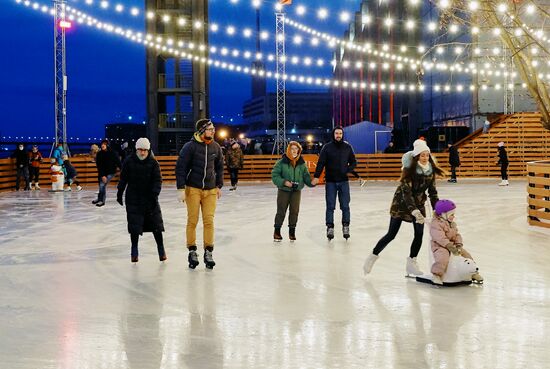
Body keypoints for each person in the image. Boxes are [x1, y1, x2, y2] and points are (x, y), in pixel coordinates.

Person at [363, 139, 444, 277]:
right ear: (417, 156)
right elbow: (406, 194)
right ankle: (372, 256)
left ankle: (411, 263)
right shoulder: (409, 170)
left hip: (418, 203)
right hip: (401, 204)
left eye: (427, 155)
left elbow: (432, 192)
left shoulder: (430, 171)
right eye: (422, 155)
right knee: (391, 234)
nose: (425, 158)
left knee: (419, 234)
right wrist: (414, 211)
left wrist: (438, 209)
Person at [175, 119, 224, 270]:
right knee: (193, 220)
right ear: (202, 131)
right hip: (193, 189)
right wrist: (181, 188)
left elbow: (220, 166)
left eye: (213, 129)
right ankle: (192, 251)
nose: (213, 131)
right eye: (210, 129)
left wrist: (218, 185)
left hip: (210, 190)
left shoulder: (216, 147)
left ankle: (208, 252)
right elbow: (181, 167)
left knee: (209, 221)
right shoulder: (190, 147)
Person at [117, 138, 166, 263]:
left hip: (150, 198)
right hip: (133, 198)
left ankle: (161, 249)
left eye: (145, 150)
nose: (142, 153)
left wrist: (154, 194)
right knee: (134, 226)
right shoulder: (129, 161)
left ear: (148, 150)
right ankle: (134, 250)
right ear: (136, 149)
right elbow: (123, 178)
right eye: (140, 150)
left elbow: (158, 180)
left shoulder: (154, 163)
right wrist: (120, 192)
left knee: (156, 226)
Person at [312, 126, 357, 240]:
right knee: (330, 206)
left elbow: (353, 162)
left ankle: (346, 226)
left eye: (340, 133)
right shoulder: (327, 148)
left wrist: (347, 170)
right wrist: (317, 176)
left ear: (342, 135)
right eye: (336, 133)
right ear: (333, 134)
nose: (338, 135)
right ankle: (330, 227)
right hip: (331, 182)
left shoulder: (347, 147)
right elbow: (321, 163)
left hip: (343, 182)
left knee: (345, 206)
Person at [430, 199, 483, 285]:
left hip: (453, 245)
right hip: (440, 246)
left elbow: (457, 235)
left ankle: (473, 273)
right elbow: (439, 237)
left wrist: (458, 244)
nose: (453, 216)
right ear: (443, 214)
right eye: (451, 214)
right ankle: (436, 275)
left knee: (466, 255)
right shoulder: (436, 224)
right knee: (442, 257)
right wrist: (449, 246)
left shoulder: (451, 223)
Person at [271, 141, 315, 241]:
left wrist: (312, 182)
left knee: (294, 211)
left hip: (296, 191)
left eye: (296, 149)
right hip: (284, 190)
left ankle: (292, 232)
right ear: (288, 150)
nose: (294, 151)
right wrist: (284, 182)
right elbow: (275, 176)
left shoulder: (301, 163)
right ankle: (277, 232)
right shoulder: (281, 162)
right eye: (292, 149)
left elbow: (306, 177)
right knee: (281, 211)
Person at [93, 139, 121, 207]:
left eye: (104, 144)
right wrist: (102, 175)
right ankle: (99, 198)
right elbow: (99, 166)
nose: (103, 145)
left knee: (102, 184)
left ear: (107, 145)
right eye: (102, 144)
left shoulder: (113, 153)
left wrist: (122, 169)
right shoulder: (99, 154)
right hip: (102, 172)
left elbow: (118, 162)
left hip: (110, 172)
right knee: (101, 185)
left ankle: (102, 201)